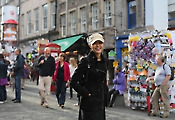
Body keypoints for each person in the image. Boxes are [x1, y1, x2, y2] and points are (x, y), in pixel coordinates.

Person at [71, 33, 109, 120]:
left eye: (100, 43)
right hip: (88, 104)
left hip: (100, 103)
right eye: (95, 43)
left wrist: (106, 96)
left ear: (103, 44)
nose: (98, 46)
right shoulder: (86, 61)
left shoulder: (105, 61)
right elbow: (74, 81)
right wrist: (86, 93)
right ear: (90, 45)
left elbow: (103, 81)